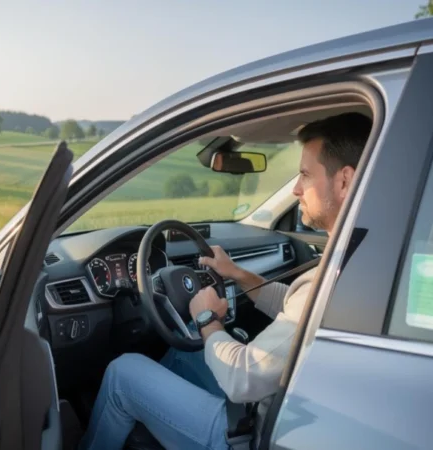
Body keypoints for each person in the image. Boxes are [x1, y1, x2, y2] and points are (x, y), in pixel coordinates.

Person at [78, 112, 372, 450]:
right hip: (290, 407)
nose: (296, 188)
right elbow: (300, 312)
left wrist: (206, 319)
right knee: (184, 354)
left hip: (253, 432)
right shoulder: (363, 259)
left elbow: (242, 378)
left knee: (122, 373)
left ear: (344, 181)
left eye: (306, 174)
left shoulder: (336, 272)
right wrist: (238, 274)